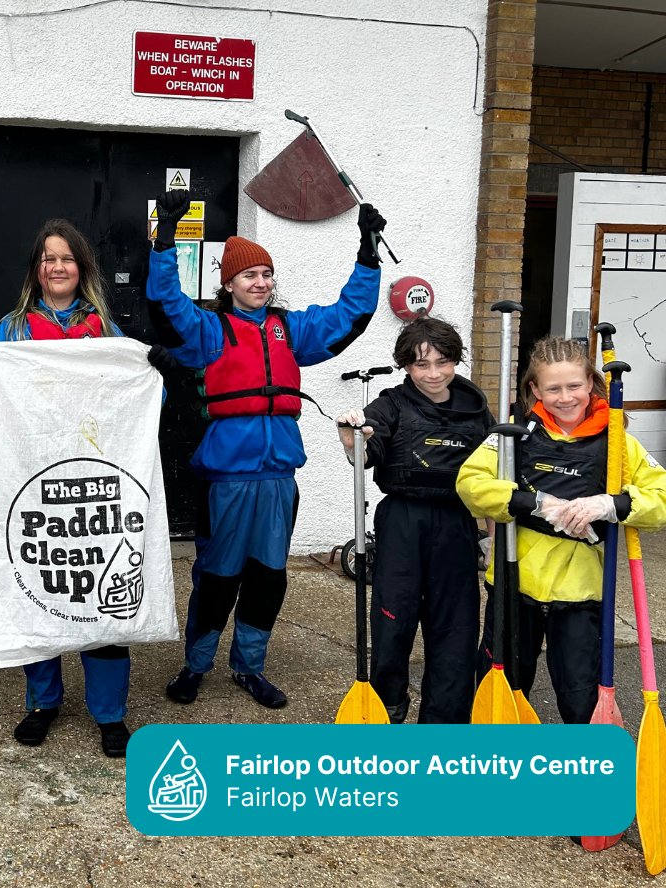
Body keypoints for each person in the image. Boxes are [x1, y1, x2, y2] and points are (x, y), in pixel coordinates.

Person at [148, 189, 384, 709]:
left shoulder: (288, 329)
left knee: (265, 579)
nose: (260, 283)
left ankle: (248, 666)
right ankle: (195, 665)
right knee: (215, 579)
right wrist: (164, 239)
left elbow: (349, 315)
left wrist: (367, 253)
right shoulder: (210, 331)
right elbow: (167, 305)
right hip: (226, 480)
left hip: (279, 478)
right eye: (248, 276)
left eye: (265, 275)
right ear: (228, 284)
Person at [0, 218, 151, 758]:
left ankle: (110, 713)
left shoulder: (107, 329)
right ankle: (43, 702)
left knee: (103, 594)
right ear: (35, 270)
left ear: (81, 267)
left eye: (66, 258)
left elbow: (138, 404)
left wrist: (153, 371)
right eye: (47, 259)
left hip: (98, 482)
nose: (57, 267)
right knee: (39, 587)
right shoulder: (9, 330)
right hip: (34, 480)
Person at [456, 336, 666, 723]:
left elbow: (661, 496)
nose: (565, 397)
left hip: (581, 593)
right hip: (514, 585)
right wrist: (532, 503)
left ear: (591, 384)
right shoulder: (512, 438)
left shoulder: (618, 443)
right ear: (535, 390)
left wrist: (610, 504)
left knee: (580, 698)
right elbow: (470, 482)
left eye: (574, 386)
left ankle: (582, 770)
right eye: (553, 388)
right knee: (504, 693)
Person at [335, 317, 492, 723]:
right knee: (392, 620)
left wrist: (492, 540)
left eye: (443, 362)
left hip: (456, 524)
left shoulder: (475, 410)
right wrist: (353, 439)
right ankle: (387, 708)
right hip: (403, 520)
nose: (434, 373)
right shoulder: (389, 404)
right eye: (422, 365)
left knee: (455, 628)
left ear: (456, 360)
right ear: (406, 365)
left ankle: (445, 720)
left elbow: (496, 479)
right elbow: (366, 453)